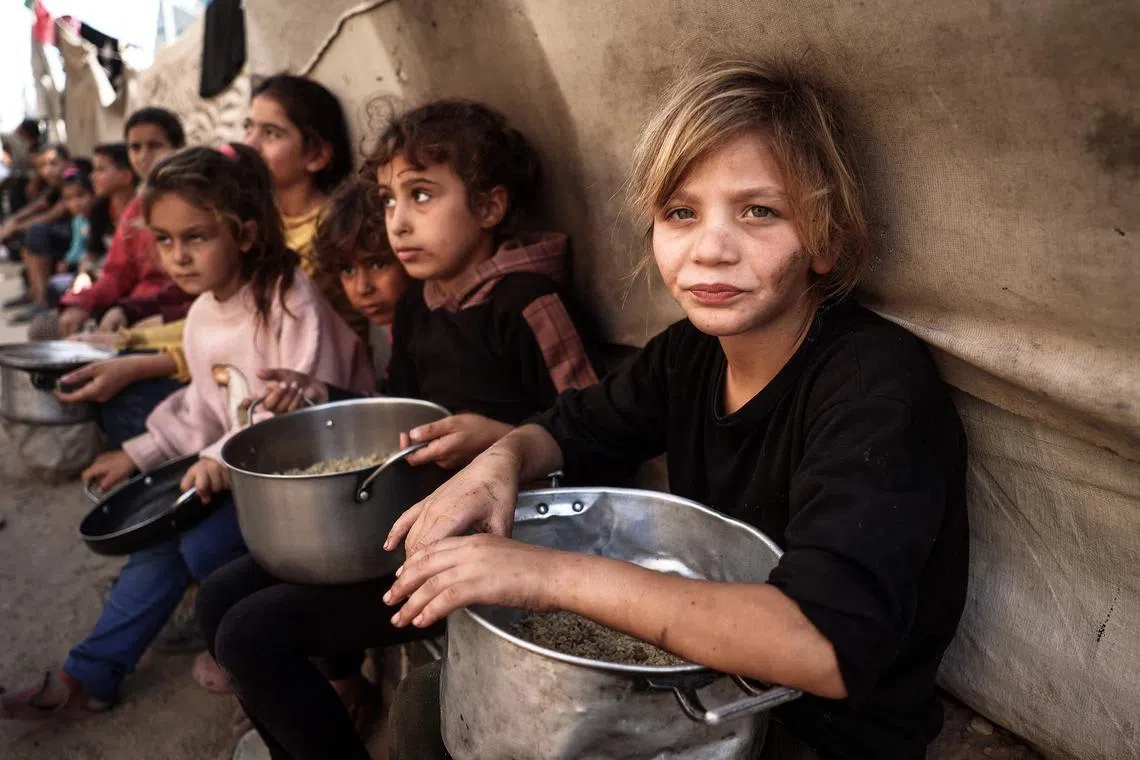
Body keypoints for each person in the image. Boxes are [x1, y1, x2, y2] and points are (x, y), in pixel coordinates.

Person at [380, 60, 970, 760]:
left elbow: (823, 645)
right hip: (700, 678)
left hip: (812, 730)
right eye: (681, 213)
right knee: (428, 706)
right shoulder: (690, 353)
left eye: (760, 212)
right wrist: (497, 463)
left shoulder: (875, 385)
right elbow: (577, 425)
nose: (711, 250)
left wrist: (544, 576)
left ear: (827, 241)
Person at [195, 101, 604, 760]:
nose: (399, 222)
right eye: (390, 201)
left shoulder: (530, 305)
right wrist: (324, 396)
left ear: (492, 207)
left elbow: (597, 443)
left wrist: (498, 439)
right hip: (409, 523)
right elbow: (399, 412)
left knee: (251, 634)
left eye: (421, 195)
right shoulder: (421, 307)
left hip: (495, 546)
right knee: (218, 598)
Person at [0, 143, 373, 723]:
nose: (178, 257)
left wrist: (220, 460)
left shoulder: (289, 302)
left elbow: (305, 422)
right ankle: (89, 675)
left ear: (245, 235)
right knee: (159, 533)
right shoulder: (203, 313)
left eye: (196, 237)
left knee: (199, 542)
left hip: (314, 485)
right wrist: (139, 452)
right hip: (245, 471)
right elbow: (205, 404)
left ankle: (249, 647)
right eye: (165, 240)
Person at [244, 73, 368, 341]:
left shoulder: (331, 228)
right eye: (249, 127)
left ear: (316, 155)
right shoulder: (261, 217)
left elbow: (258, 324)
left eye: (270, 133)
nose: (250, 145)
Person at [56, 107, 194, 337]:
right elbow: (117, 273)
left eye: (155, 145)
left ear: (178, 148)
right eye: (135, 147)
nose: (143, 156)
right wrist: (80, 302)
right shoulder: (136, 207)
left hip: (174, 312)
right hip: (133, 308)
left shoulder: (197, 198)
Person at [41, 142, 139, 310]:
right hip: (104, 276)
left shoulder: (144, 210)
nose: (93, 176)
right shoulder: (99, 210)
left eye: (101, 170)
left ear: (126, 175)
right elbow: (92, 254)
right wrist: (84, 275)